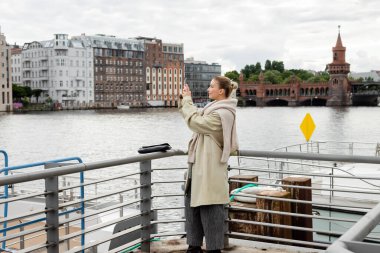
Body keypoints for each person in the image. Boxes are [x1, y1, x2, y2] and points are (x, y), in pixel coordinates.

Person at [179, 76, 239, 253]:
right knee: (193, 210)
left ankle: (213, 249)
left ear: (221, 91)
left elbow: (197, 123)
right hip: (199, 169)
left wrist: (188, 101)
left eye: (211, 86)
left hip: (209, 170)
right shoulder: (214, 108)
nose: (208, 89)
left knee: (211, 210)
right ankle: (194, 247)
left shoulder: (223, 113)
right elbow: (194, 117)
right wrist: (184, 100)